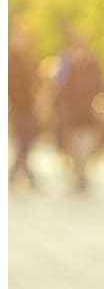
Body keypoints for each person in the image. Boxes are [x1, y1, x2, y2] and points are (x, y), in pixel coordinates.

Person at [51, 36, 104, 193]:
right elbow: (58, 90)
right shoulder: (66, 69)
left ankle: (82, 174)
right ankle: (77, 174)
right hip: (70, 115)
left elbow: (101, 89)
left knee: (87, 148)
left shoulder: (94, 68)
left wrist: (100, 105)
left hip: (89, 114)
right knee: (73, 149)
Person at [9, 29, 41, 190]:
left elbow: (35, 83)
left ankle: (20, 173)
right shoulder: (9, 61)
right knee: (22, 141)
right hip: (16, 108)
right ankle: (21, 174)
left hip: (29, 107)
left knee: (27, 141)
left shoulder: (29, 60)